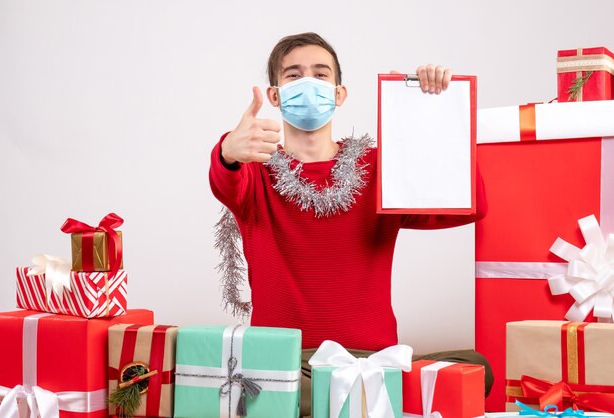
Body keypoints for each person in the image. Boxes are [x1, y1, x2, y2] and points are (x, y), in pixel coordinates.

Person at [209, 32, 491, 417]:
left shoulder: (378, 167)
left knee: (476, 368)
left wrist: (433, 114)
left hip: (372, 359)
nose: (308, 82)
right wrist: (228, 150)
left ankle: (356, 392)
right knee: (282, 389)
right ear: (274, 96)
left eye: (320, 74)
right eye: (293, 75)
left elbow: (467, 205)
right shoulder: (254, 173)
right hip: (289, 364)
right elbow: (225, 180)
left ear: (339, 93)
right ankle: (352, 397)